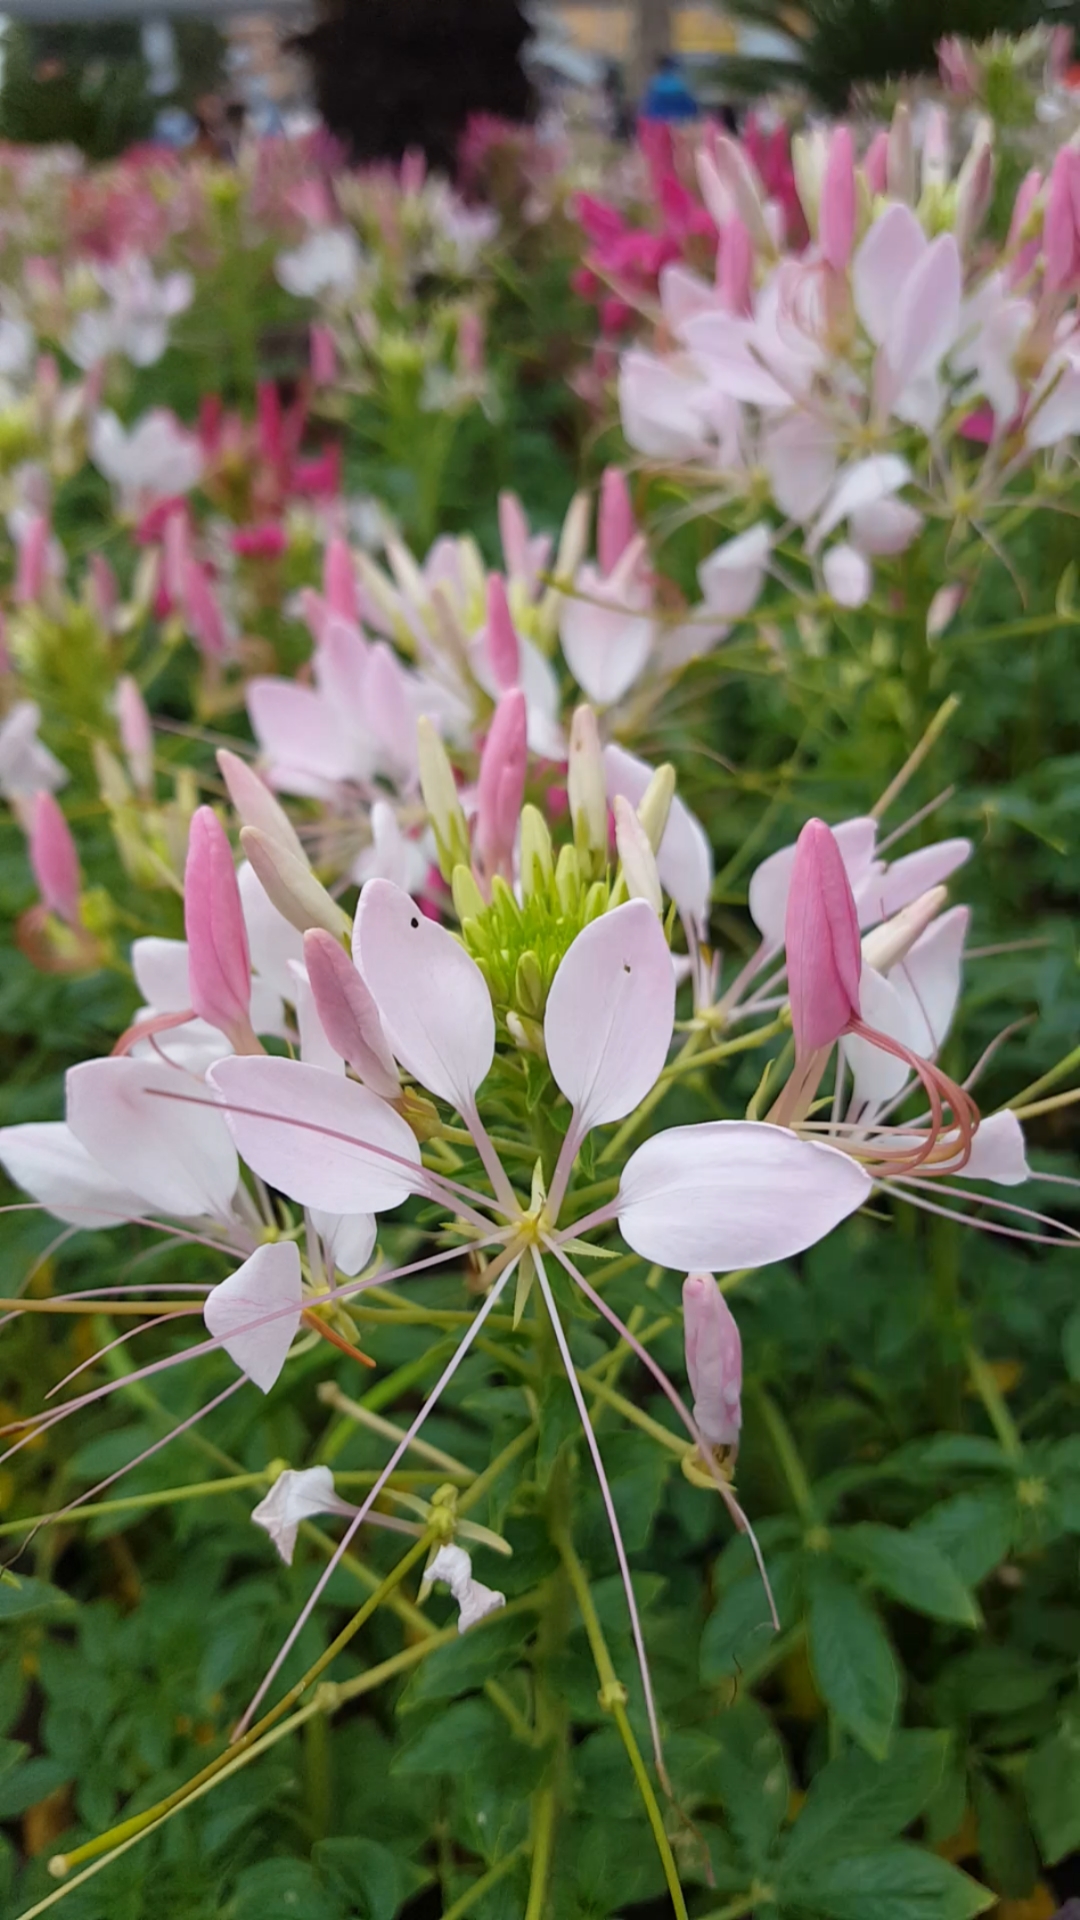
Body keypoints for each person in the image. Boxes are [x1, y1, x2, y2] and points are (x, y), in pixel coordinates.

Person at [640, 54, 698, 124]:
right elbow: (692, 107)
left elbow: (647, 108)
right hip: (680, 121)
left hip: (658, 120)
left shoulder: (654, 83)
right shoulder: (681, 83)